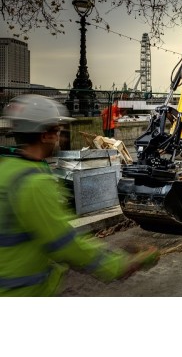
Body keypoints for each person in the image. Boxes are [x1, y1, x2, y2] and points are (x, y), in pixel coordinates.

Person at [0, 94, 159, 296]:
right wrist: (120, 265)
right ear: (45, 135)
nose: (59, 138)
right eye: (57, 131)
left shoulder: (7, 169)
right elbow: (65, 244)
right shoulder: (33, 184)